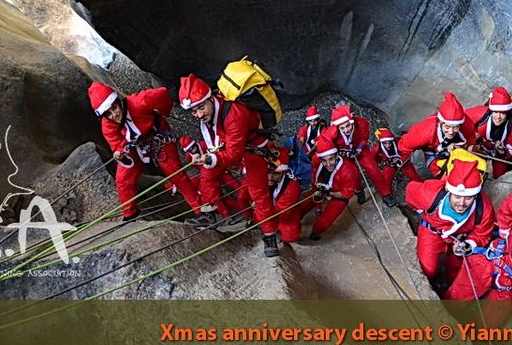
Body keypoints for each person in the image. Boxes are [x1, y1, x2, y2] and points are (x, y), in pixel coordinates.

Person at [179, 74, 280, 257]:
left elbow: (234, 155)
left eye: (201, 108)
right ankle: (209, 212)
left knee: (258, 193)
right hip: (232, 144)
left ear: (210, 98)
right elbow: (222, 144)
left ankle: (269, 235)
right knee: (208, 173)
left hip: (254, 150)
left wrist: (209, 158)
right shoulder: (214, 111)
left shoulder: (234, 114)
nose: (199, 115)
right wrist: (207, 158)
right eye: (194, 112)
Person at [87, 82, 201, 221]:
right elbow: (117, 144)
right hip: (134, 147)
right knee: (122, 179)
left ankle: (200, 209)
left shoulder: (139, 101)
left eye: (114, 108)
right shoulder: (107, 124)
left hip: (159, 138)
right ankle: (130, 214)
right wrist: (120, 154)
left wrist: (164, 111)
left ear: (118, 101)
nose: (114, 115)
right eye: (108, 114)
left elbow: (162, 94)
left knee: (175, 173)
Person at [405, 159, 494, 291]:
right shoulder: (430, 194)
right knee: (428, 268)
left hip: (460, 238)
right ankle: (430, 287)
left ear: (476, 195)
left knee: (457, 270)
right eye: (457, 196)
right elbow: (410, 191)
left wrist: (469, 244)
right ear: (448, 189)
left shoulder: (484, 208)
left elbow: (483, 233)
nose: (462, 203)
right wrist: (421, 211)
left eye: (468, 197)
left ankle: (449, 288)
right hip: (431, 232)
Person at [320, 104, 392, 204]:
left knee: (373, 169)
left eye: (348, 126)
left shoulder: (362, 123)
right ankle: (358, 190)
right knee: (353, 174)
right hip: (344, 153)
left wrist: (358, 149)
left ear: (351, 122)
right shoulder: (331, 134)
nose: (346, 130)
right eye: (342, 128)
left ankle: (386, 193)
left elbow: (364, 138)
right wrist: (340, 152)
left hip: (360, 148)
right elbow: (326, 144)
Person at [397, 92, 477, 177]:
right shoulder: (423, 133)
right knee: (445, 178)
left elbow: (471, 140)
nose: (451, 132)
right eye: (447, 127)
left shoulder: (467, 124)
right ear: (440, 122)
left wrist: (467, 149)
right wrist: (414, 177)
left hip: (454, 149)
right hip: (433, 153)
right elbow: (403, 149)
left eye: (455, 127)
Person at [302, 134, 360, 241]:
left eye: (331, 159)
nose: (328, 164)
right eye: (324, 160)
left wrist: (328, 193)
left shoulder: (349, 171)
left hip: (338, 195)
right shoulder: (316, 161)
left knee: (325, 221)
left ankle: (316, 232)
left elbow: (346, 194)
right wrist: (318, 189)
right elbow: (314, 177)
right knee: (303, 206)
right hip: (321, 189)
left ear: (336, 155)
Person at [373, 127, 420, 204]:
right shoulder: (377, 148)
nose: (388, 145)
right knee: (386, 178)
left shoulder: (398, 142)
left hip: (402, 161)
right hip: (390, 163)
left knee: (412, 174)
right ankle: (387, 196)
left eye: (389, 142)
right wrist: (384, 161)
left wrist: (400, 159)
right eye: (385, 143)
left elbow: (406, 152)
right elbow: (374, 158)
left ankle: (420, 187)